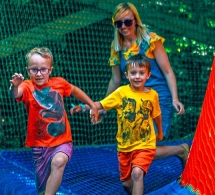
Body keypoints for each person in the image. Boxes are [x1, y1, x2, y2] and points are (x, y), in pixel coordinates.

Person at [105, 2, 189, 168]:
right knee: (135, 149)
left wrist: (175, 99)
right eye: (119, 23)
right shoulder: (117, 48)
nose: (123, 26)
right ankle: (179, 151)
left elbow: (167, 71)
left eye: (127, 21)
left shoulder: (150, 40)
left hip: (158, 98)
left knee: (146, 148)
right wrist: (103, 106)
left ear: (135, 20)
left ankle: (181, 150)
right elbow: (115, 80)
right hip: (135, 102)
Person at [10, 47, 100, 195]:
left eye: (43, 69)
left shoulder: (59, 83)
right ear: (28, 71)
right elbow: (15, 94)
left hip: (62, 141)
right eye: (34, 70)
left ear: (50, 70)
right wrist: (14, 85)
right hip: (40, 146)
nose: (39, 73)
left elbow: (75, 90)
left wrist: (92, 105)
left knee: (58, 162)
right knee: (42, 190)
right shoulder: (26, 86)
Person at [89, 54, 163, 195]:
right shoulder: (121, 92)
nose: (137, 76)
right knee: (127, 183)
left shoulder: (153, 95)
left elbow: (157, 115)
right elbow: (102, 104)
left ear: (148, 75)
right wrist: (90, 107)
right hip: (125, 146)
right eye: (133, 73)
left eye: (141, 73)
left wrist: (159, 132)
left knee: (137, 173)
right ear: (126, 75)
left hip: (145, 144)